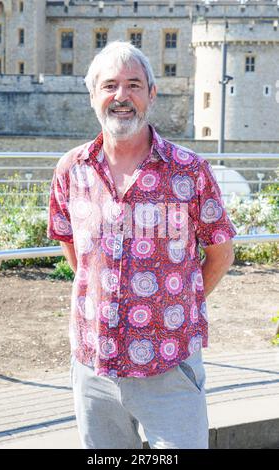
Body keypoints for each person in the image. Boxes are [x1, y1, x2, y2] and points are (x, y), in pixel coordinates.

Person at [47, 41, 237, 449]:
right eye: (109, 85)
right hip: (94, 366)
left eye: (134, 85)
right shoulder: (71, 171)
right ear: (92, 96)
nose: (121, 96)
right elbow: (75, 251)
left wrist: (175, 305)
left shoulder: (189, 171)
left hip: (168, 365)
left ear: (152, 93)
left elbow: (221, 253)